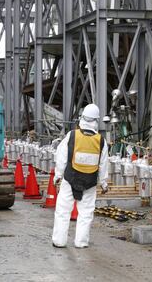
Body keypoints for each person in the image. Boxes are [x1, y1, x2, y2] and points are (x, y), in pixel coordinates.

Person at [52, 103, 109, 248]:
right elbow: (103, 164)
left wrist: (57, 175)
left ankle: (59, 241)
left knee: (63, 211)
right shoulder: (101, 141)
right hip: (89, 182)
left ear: (82, 118)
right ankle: (81, 242)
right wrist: (104, 183)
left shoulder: (72, 135)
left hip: (70, 178)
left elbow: (62, 156)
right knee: (86, 213)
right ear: (97, 121)